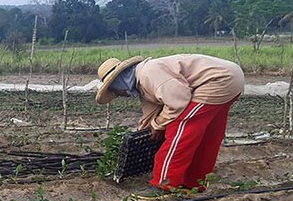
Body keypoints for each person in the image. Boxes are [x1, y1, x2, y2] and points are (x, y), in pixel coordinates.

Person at [95, 54, 245, 192]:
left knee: (179, 130)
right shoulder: (143, 85)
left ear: (120, 82)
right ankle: (194, 182)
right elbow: (150, 117)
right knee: (207, 136)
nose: (119, 95)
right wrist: (142, 138)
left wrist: (159, 125)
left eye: (115, 91)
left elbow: (178, 100)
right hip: (231, 77)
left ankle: (164, 184)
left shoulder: (149, 74)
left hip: (218, 80)